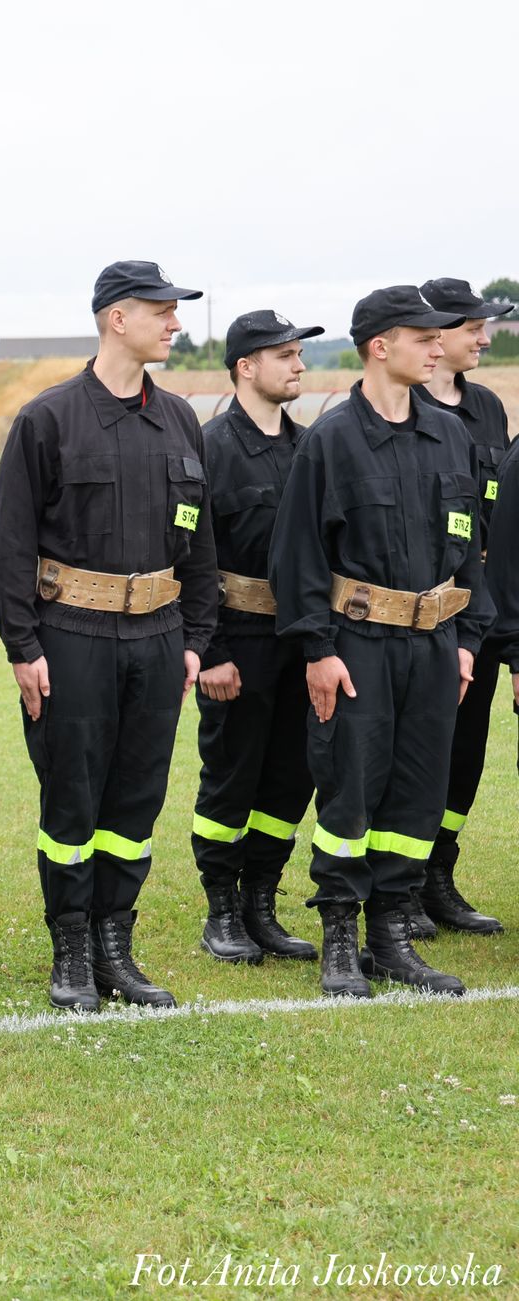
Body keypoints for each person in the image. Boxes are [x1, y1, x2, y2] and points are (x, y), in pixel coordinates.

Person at [0, 261, 218, 1012]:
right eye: (163, 311)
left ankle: (115, 943)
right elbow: (11, 546)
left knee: (137, 795)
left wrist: (194, 638)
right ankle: (72, 948)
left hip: (158, 636)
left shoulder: (180, 419)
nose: (175, 323)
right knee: (73, 795)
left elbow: (202, 542)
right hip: (71, 635)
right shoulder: (47, 419)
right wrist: (24, 648)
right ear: (118, 318)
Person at [269, 285, 486, 998]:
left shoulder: (450, 435)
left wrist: (465, 639)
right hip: (355, 643)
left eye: (438, 336)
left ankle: (393, 935)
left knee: (418, 793)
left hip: (434, 644)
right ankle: (340, 936)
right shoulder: (331, 440)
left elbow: (469, 549)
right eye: (422, 336)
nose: (437, 346)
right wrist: (317, 649)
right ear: (378, 346)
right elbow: (297, 554)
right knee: (350, 791)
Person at [187, 311, 325, 965]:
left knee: (290, 777)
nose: (298, 365)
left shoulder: (308, 448)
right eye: (285, 355)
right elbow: (187, 556)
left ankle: (261, 903)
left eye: (299, 354)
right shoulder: (210, 448)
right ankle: (222, 910)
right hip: (235, 638)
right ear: (246, 366)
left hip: (300, 640)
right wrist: (208, 651)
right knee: (231, 777)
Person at [411, 278, 514, 936]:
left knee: (467, 750)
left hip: (481, 605)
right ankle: (397, 881)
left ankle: (438, 875)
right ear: (437, 334)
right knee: (416, 747)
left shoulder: (488, 407)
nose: (485, 337)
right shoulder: (398, 406)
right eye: (473, 327)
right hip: (418, 609)